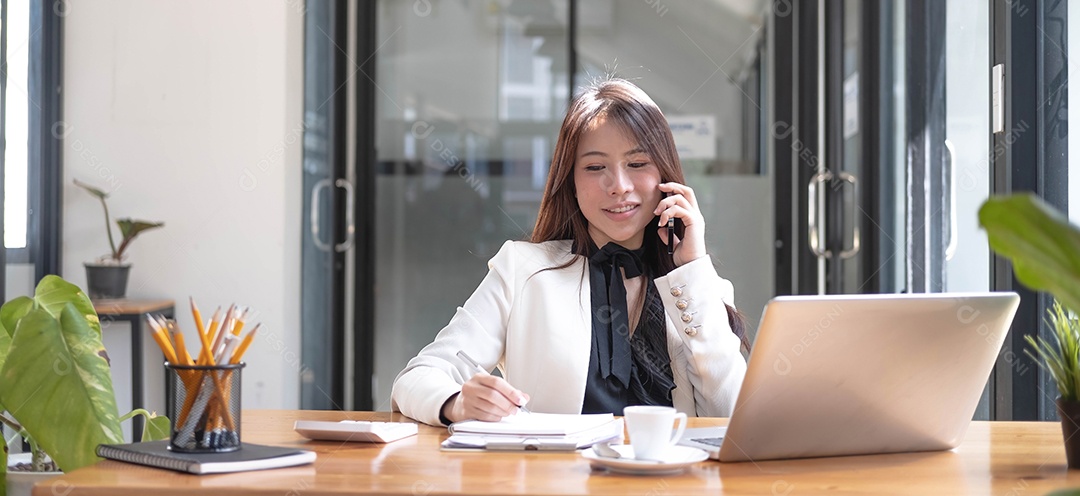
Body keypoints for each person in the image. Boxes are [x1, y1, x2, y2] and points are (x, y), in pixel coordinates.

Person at [391, 78, 749, 426]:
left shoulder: (699, 286)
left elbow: (732, 415)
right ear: (571, 182)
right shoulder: (522, 270)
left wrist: (690, 269)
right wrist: (457, 403)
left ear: (666, 175)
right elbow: (416, 379)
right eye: (595, 168)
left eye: (637, 164)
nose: (619, 187)